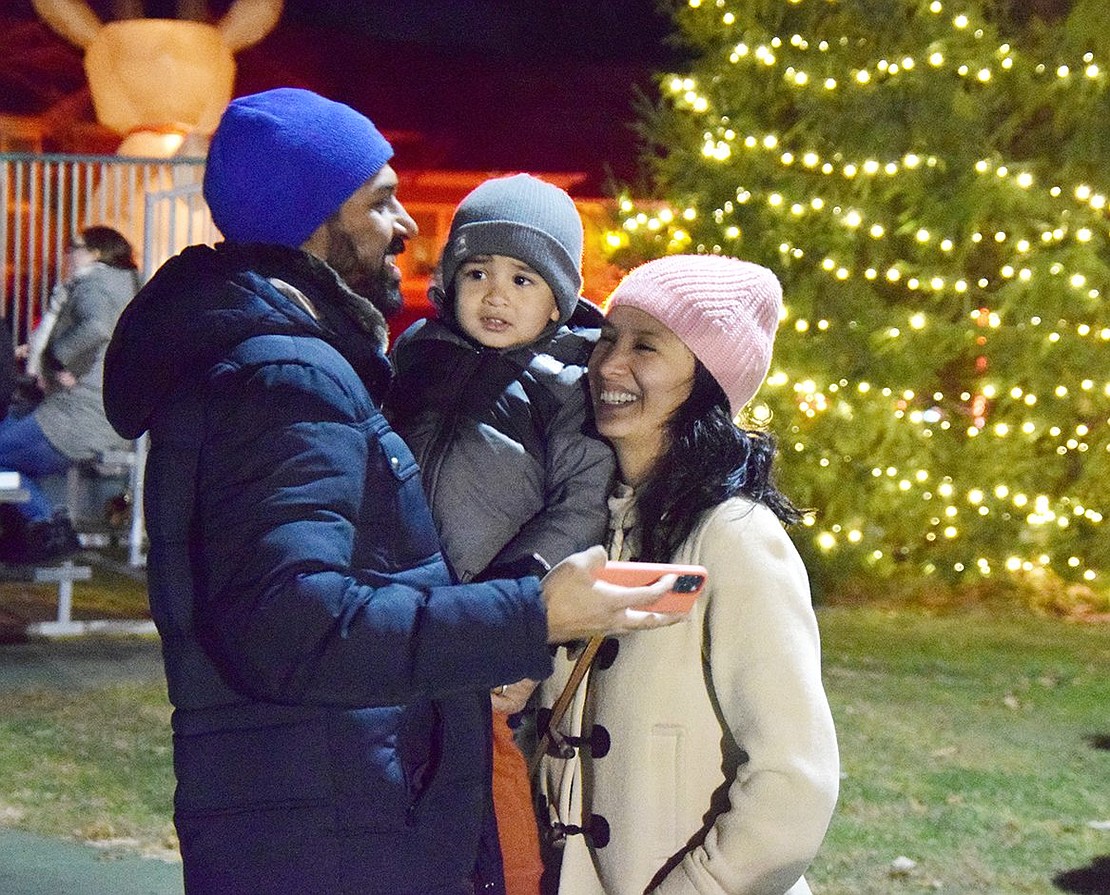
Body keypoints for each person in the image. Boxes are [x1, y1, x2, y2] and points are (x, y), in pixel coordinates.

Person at [101, 87, 679, 895]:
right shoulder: (286, 377)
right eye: (381, 203)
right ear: (313, 220)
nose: (407, 225)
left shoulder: (276, 363)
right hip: (328, 827)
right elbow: (291, 623)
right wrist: (533, 613)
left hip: (321, 805)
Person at [537, 255, 840, 894]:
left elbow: (794, 780)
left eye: (645, 346)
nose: (608, 365)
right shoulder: (596, 522)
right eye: (608, 339)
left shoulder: (734, 538)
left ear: (706, 380)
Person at [384, 173, 615, 895]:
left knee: (490, 782)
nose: (495, 295)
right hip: (404, 620)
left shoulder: (568, 380)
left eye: (522, 278)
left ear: (560, 296)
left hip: (496, 622)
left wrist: (520, 608)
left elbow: (580, 502)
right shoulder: (417, 358)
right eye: (477, 272)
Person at [0, 225, 138, 563]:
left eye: (74, 246)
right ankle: (51, 525)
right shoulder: (125, 287)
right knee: (9, 460)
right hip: (99, 415)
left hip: (79, 416)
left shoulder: (95, 285)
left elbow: (96, 328)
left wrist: (56, 356)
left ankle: (46, 525)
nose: (67, 254)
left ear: (96, 252)